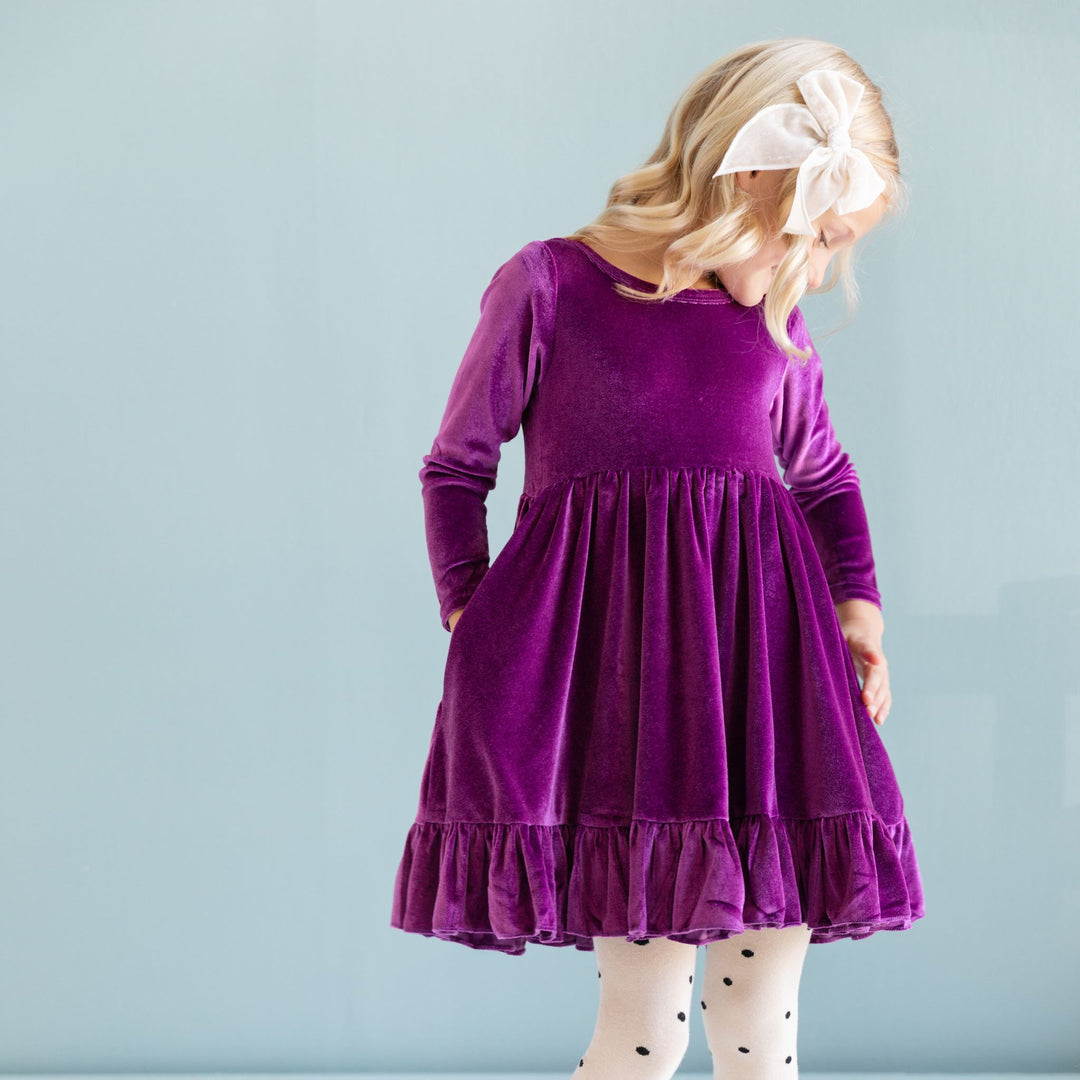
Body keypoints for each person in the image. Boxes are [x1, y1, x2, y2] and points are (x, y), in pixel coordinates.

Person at [391, 37, 926, 1079]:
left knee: (763, 1019)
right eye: (804, 237)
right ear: (745, 181)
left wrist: (860, 616)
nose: (811, 270)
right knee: (645, 1029)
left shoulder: (775, 321)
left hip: (765, 694)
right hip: (625, 710)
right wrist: (471, 612)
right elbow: (457, 466)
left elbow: (825, 481)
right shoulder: (551, 288)